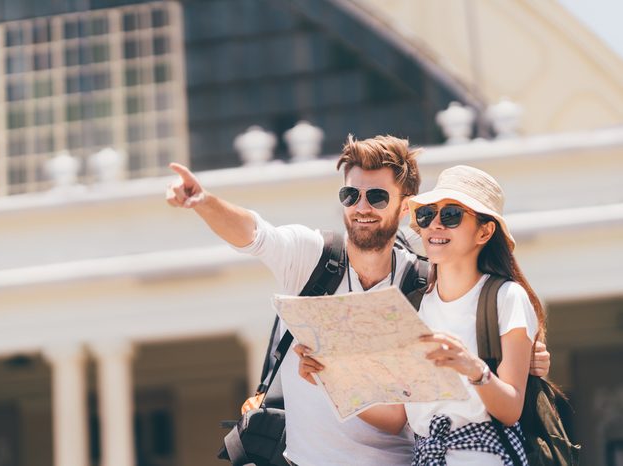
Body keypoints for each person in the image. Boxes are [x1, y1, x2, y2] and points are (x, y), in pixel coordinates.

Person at [166, 135, 550, 466]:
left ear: (404, 208)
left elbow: (473, 339)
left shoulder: (421, 284)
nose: (361, 207)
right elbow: (253, 233)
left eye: (377, 196)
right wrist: (203, 201)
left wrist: (519, 357)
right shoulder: (311, 257)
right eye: (351, 195)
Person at [299, 165, 542, 465]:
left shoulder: (506, 298)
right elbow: (396, 416)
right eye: (426, 216)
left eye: (451, 215)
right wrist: (328, 375)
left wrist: (473, 370)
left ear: (484, 231)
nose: (435, 226)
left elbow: (510, 408)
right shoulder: (413, 305)